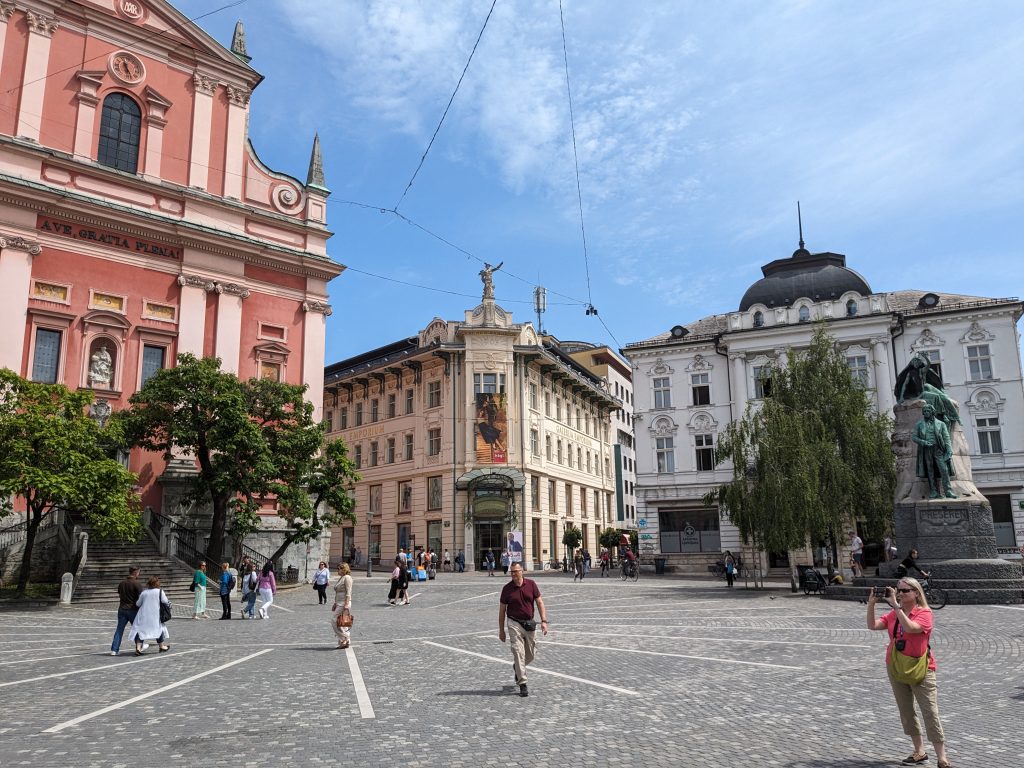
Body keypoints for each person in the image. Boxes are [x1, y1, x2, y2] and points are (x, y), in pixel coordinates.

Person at [867, 578, 952, 767]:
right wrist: (871, 604)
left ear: (916, 593)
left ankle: (942, 758)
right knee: (906, 711)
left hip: (921, 668)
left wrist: (896, 607)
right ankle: (919, 751)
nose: (900, 593)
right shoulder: (894, 613)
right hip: (896, 666)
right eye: (898, 590)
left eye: (905, 590)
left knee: (930, 712)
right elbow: (872, 625)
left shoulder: (924, 613)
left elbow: (910, 628)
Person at [498, 563, 549, 697]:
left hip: (529, 623)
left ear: (522, 571)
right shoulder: (507, 589)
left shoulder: (531, 584)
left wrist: (544, 621)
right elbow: (502, 611)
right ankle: (523, 683)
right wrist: (501, 630)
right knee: (518, 651)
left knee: (531, 653)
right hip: (513, 623)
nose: (513, 574)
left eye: (516, 571)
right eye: (512, 572)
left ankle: (517, 667)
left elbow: (539, 602)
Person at [912, 404, 956, 499]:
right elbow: (914, 437)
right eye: (924, 411)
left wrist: (949, 450)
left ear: (932, 412)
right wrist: (923, 442)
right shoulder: (919, 424)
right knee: (930, 471)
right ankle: (933, 491)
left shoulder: (941, 424)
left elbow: (946, 437)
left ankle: (948, 491)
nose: (926, 413)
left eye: (928, 411)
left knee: (944, 470)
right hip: (926, 450)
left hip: (938, 449)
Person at [130, 575, 170, 655]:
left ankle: (138, 648)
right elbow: (165, 601)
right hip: (156, 614)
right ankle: (161, 646)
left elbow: (138, 604)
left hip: (144, 615)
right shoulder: (160, 592)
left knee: (141, 630)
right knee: (158, 629)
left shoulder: (144, 593)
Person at [110, 566, 141, 655]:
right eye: (139, 572)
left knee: (119, 629)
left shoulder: (122, 583)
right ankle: (139, 647)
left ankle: (114, 650)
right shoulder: (137, 583)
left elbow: (120, 594)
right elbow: (141, 597)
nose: (139, 574)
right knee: (137, 628)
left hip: (122, 609)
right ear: (135, 572)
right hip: (133, 609)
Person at [331, 563, 353, 649]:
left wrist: (346, 605)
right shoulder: (342, 578)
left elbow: (348, 592)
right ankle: (345, 641)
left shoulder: (347, 578)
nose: (337, 570)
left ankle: (345, 637)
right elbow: (338, 592)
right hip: (339, 603)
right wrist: (335, 603)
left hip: (344, 603)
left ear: (344, 569)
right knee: (342, 623)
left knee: (334, 620)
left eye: (339, 569)